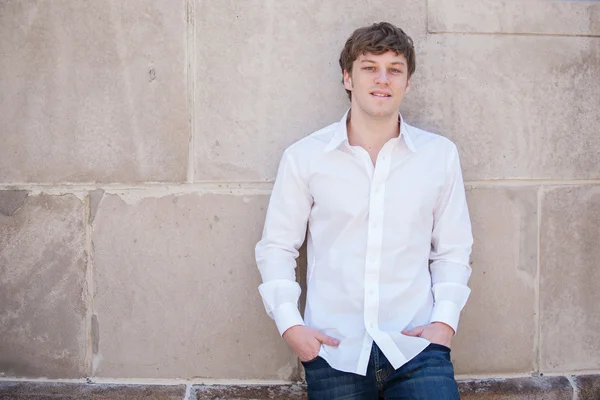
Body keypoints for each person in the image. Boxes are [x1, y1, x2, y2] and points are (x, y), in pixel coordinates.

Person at [255, 21, 473, 400]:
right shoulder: (306, 157)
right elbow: (277, 246)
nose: (382, 79)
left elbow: (453, 249)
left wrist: (444, 324)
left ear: (408, 82)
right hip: (335, 352)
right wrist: (292, 328)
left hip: (417, 348)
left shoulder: (439, 156)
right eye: (369, 67)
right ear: (348, 78)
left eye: (395, 69)